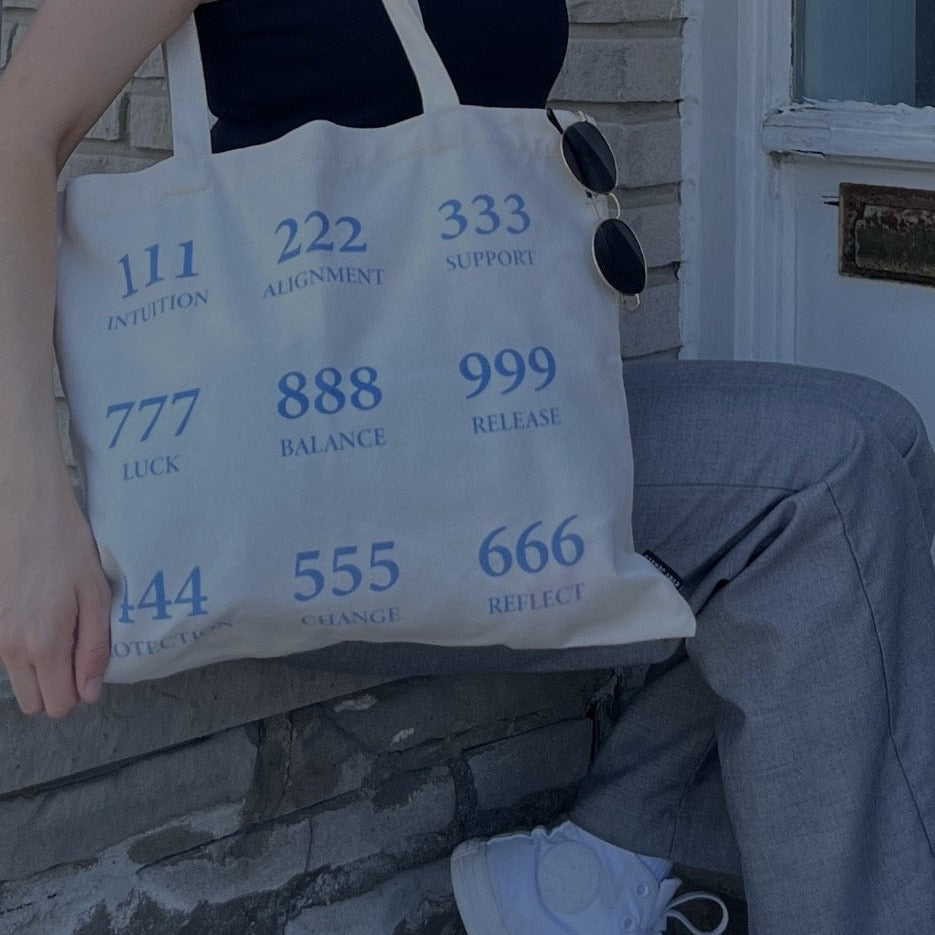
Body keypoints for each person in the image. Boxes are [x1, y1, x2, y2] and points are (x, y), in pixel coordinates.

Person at [2, 2, 934, 933]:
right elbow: (18, 132)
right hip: (317, 482)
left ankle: (607, 856)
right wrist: (30, 506)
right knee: (826, 479)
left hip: (487, 420)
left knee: (882, 435)